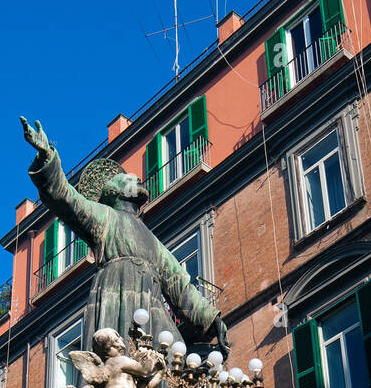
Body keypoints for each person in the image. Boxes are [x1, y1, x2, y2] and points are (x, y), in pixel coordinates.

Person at [21, 117, 229, 354]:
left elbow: (178, 282)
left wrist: (211, 319)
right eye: (129, 179)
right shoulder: (104, 216)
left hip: (151, 306)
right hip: (116, 292)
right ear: (114, 191)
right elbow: (66, 199)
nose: (137, 178)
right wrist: (47, 156)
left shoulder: (151, 239)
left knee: (167, 364)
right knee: (120, 357)